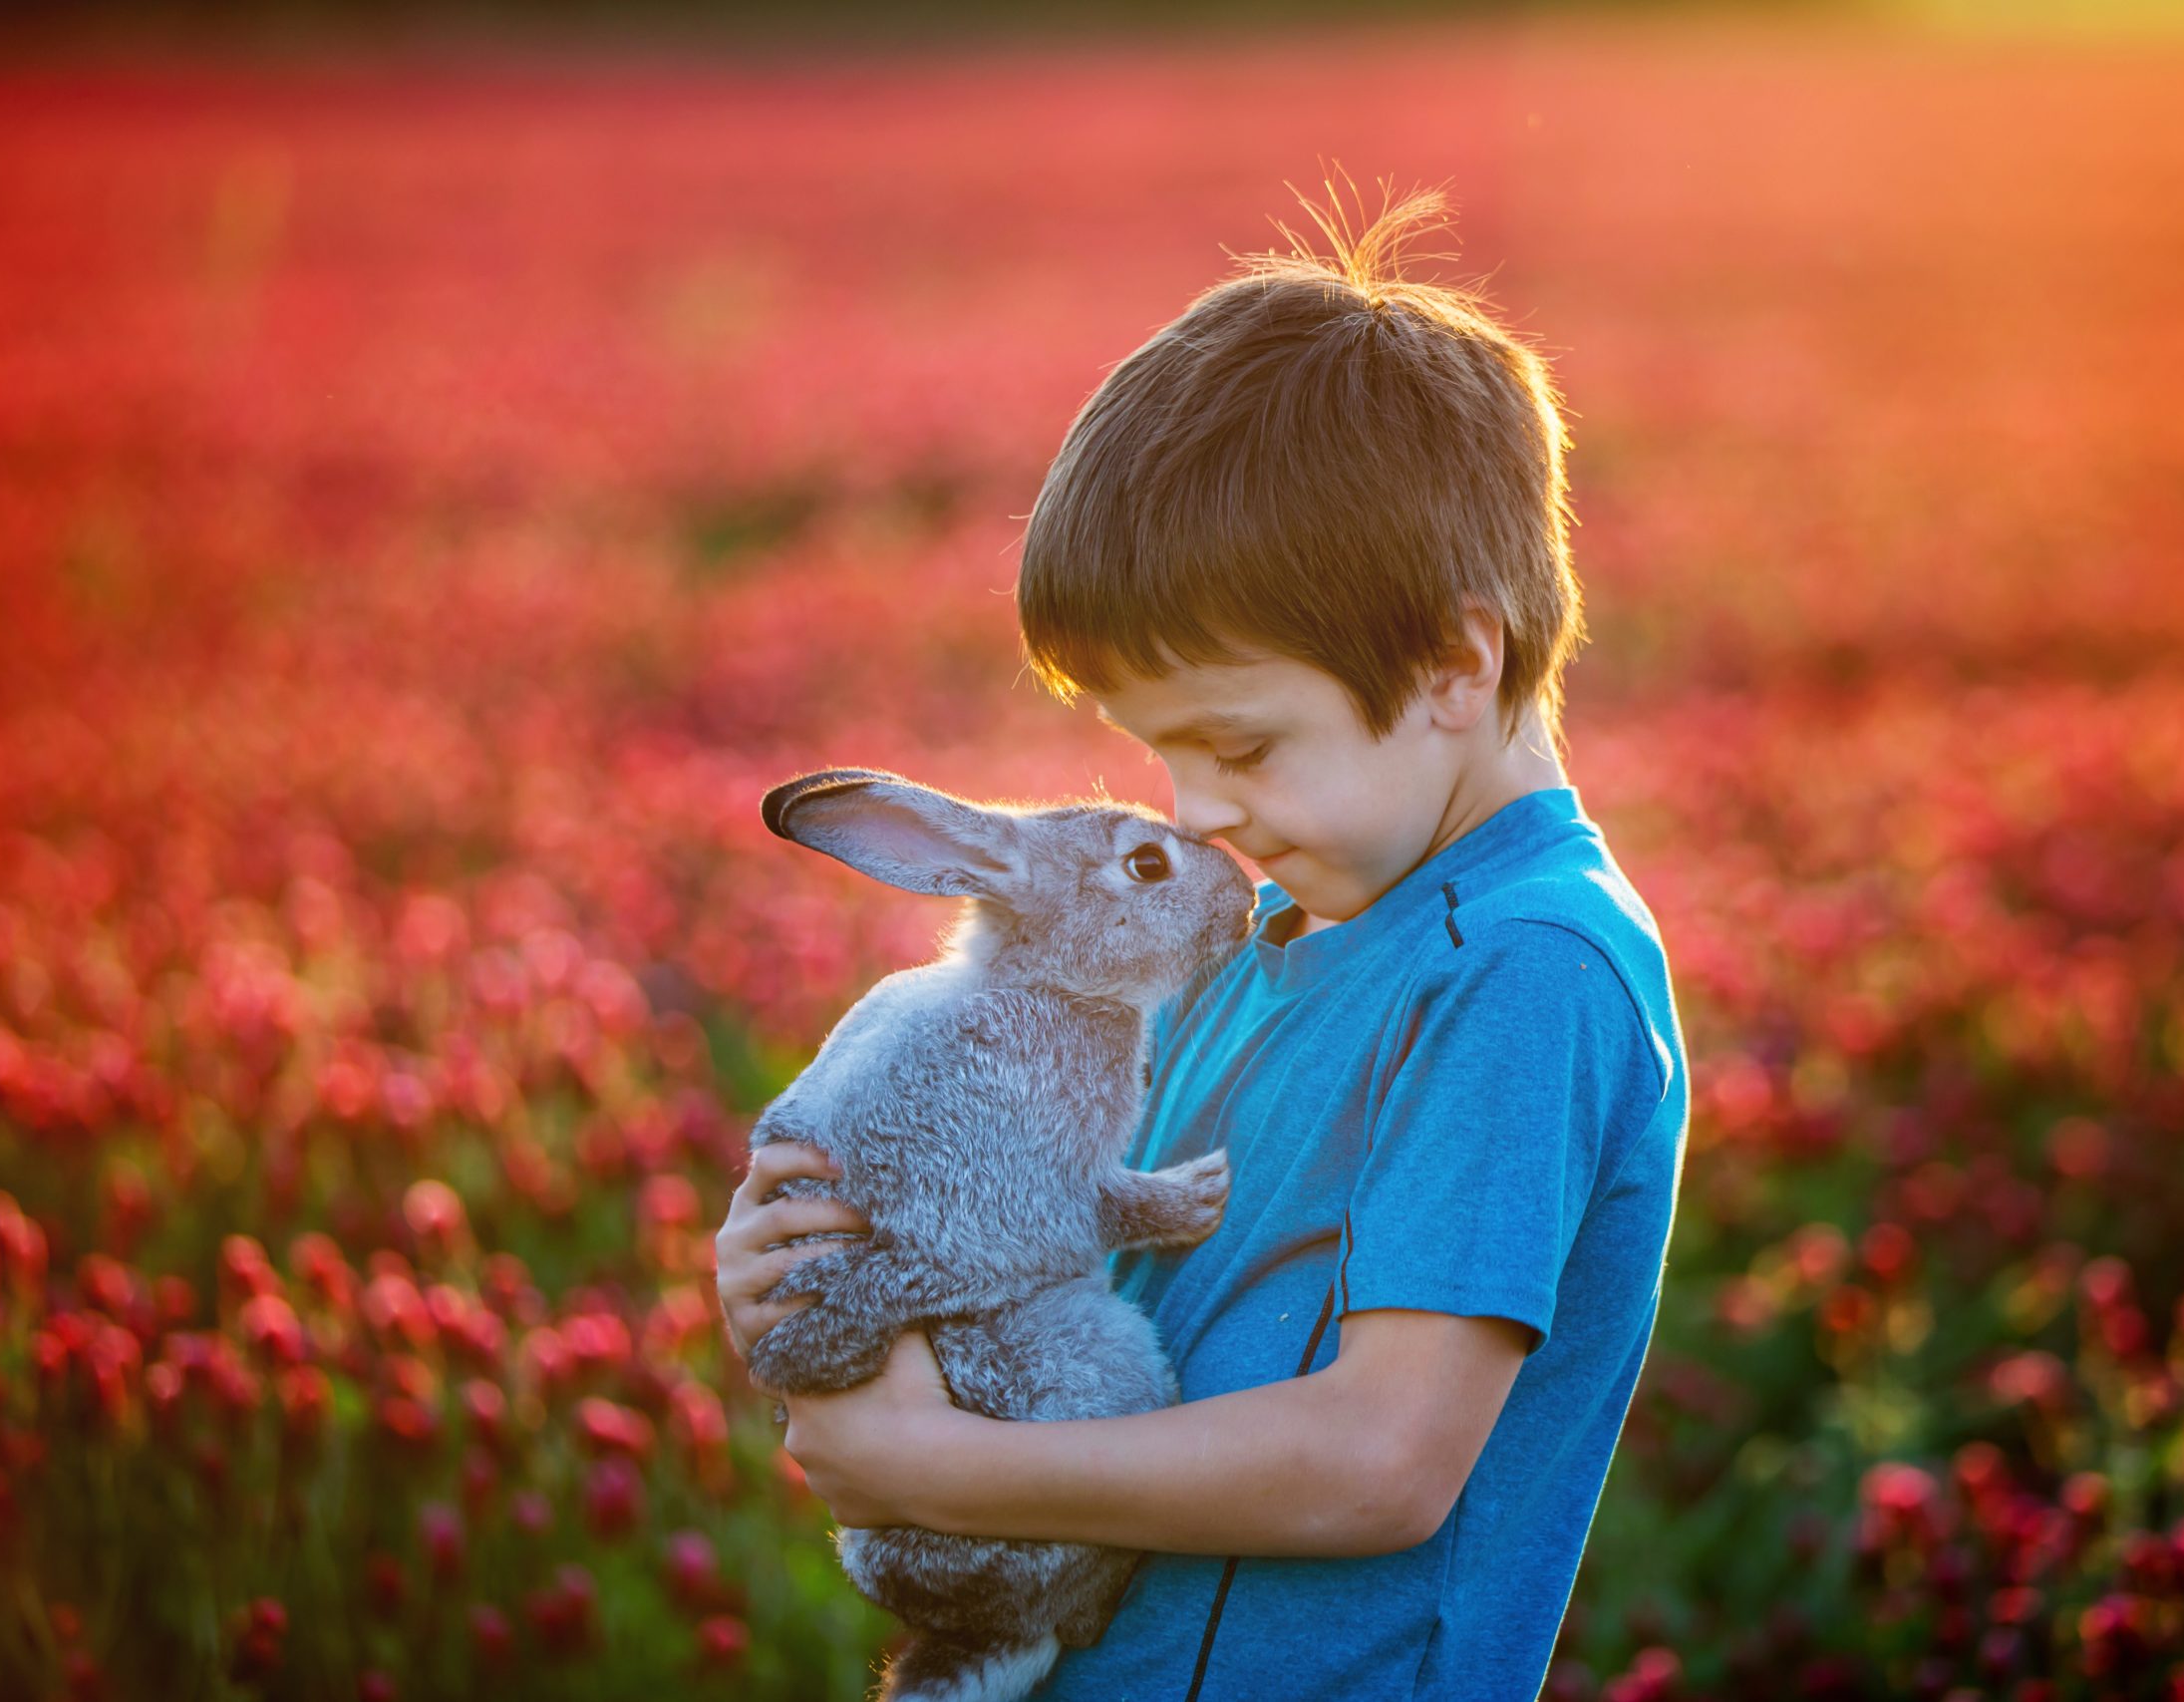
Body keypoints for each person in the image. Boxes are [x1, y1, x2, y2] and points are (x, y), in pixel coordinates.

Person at [716, 177, 1689, 1701]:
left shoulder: (1525, 971)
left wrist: (935, 1466)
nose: (1201, 813)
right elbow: (1077, 1226)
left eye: (1241, 745)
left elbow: (1382, 1463)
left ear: (1452, 660)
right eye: (1162, 757)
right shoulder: (1270, 936)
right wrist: (821, 1276)